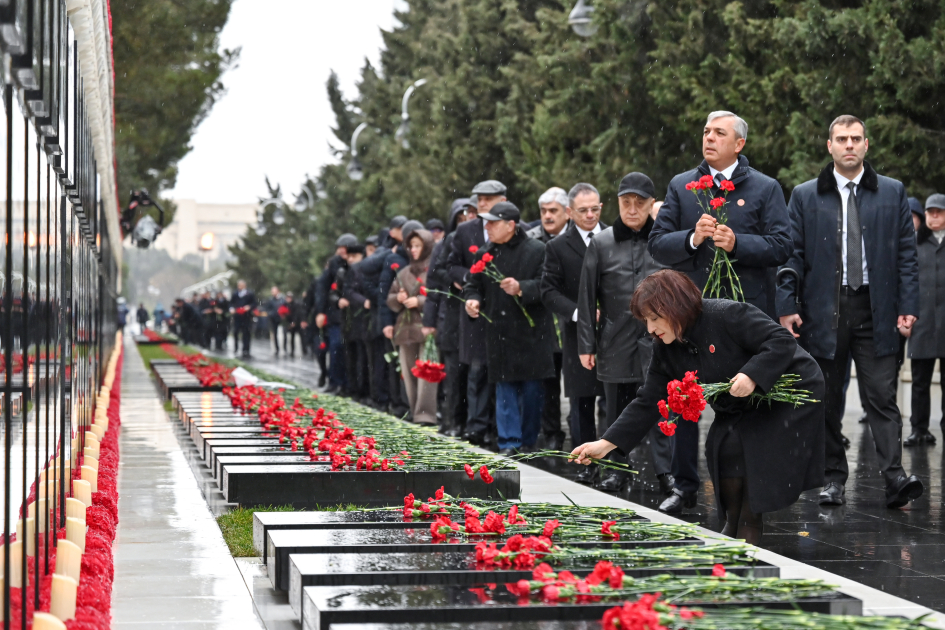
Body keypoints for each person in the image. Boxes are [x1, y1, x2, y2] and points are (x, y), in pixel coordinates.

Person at [571, 270, 825, 545]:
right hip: (740, 403)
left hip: (787, 391)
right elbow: (647, 401)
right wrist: (605, 444)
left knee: (750, 448)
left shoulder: (726, 314)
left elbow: (781, 340)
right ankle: (732, 523)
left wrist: (753, 375)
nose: (650, 328)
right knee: (720, 445)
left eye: (655, 319)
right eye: (646, 320)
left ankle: (748, 529)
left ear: (675, 308)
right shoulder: (664, 346)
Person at [649, 110, 792, 514]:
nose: (709, 138)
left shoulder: (764, 188)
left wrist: (739, 244)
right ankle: (684, 486)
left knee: (745, 400)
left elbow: (782, 246)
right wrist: (692, 239)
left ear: (739, 144)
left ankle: (748, 483)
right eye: (706, 131)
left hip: (743, 316)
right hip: (689, 314)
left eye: (719, 133)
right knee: (683, 400)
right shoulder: (681, 186)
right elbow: (657, 245)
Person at [777, 114, 923, 509]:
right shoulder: (806, 195)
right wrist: (787, 306)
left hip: (877, 308)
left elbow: (907, 256)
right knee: (825, 397)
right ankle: (832, 478)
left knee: (881, 396)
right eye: (842, 139)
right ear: (829, 146)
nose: (849, 145)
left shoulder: (892, 193)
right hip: (825, 309)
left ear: (866, 144)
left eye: (856, 138)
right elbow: (792, 255)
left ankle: (894, 477)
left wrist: (908, 306)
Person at [577, 173, 674, 495]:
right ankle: (617, 468)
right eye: (625, 203)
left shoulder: (662, 239)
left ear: (650, 204)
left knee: (662, 405)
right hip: (614, 338)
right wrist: (586, 344)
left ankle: (666, 472)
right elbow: (587, 296)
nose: (632, 210)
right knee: (615, 408)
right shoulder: (601, 243)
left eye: (639, 203)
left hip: (658, 339)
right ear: (617, 204)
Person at [464, 202, 556, 455]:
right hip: (499, 332)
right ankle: (509, 443)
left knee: (532, 394)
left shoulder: (538, 250)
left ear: (511, 225)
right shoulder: (485, 253)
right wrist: (472, 301)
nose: (488, 227)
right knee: (504, 391)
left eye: (493, 222)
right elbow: (473, 284)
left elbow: (548, 286)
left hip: (532, 334)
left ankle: (528, 442)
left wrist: (522, 288)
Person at [540, 183, 606, 477]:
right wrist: (579, 312)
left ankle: (613, 459)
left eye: (595, 209)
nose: (590, 215)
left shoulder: (613, 237)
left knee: (614, 398)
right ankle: (584, 462)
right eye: (583, 210)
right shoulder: (557, 247)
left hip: (615, 333)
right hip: (577, 333)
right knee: (581, 399)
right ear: (569, 212)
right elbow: (548, 291)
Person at [449, 181, 509, 448]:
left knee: (503, 374)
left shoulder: (515, 229)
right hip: (475, 313)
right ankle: (476, 428)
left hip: (505, 313)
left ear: (502, 199)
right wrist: (473, 280)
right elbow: (449, 265)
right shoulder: (464, 231)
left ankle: (500, 429)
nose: (481, 203)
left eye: (488, 198)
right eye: (479, 199)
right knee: (477, 373)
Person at [424, 199, 471, 435]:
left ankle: (471, 423)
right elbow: (434, 281)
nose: (465, 223)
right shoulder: (445, 244)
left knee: (474, 375)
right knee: (453, 375)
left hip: (474, 314)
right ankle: (452, 421)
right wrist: (429, 322)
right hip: (451, 314)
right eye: (460, 220)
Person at [530, 186, 571, 451]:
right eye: (544, 211)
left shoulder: (578, 238)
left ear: (566, 213)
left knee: (581, 384)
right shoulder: (532, 239)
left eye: (553, 211)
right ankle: (552, 431)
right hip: (543, 321)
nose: (547, 216)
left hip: (573, 317)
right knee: (548, 381)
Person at [904, 193, 945, 447]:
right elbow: (906, 282)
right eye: (930, 212)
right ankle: (919, 429)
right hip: (922, 323)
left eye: (939, 211)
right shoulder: (913, 244)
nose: (934, 216)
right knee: (920, 381)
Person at [388, 229, 438, 424]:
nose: (414, 250)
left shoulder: (433, 270)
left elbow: (438, 296)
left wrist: (419, 301)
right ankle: (414, 409)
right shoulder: (403, 272)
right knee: (409, 372)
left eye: (418, 246)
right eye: (411, 246)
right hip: (405, 328)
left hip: (425, 327)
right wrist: (398, 299)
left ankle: (426, 414)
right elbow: (390, 298)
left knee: (426, 371)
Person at [314, 234, 356, 392]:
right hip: (335, 313)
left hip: (353, 313)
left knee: (349, 351)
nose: (340, 252)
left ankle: (348, 384)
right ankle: (335, 381)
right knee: (336, 347)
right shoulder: (334, 264)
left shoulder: (356, 261)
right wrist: (320, 311)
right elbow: (322, 288)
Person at [230, 280, 256, 358]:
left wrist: (249, 307)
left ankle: (246, 349)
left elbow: (254, 303)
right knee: (236, 332)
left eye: (241, 285)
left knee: (246, 333)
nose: (239, 287)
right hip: (237, 316)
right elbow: (231, 303)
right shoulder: (235, 294)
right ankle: (236, 347)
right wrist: (231, 308)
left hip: (246, 317)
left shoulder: (250, 294)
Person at [264, 286, 285, 355]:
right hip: (273, 318)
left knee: (284, 333)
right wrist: (271, 314)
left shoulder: (282, 299)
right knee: (275, 334)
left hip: (282, 318)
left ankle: (285, 348)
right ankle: (277, 348)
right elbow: (267, 308)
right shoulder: (270, 299)